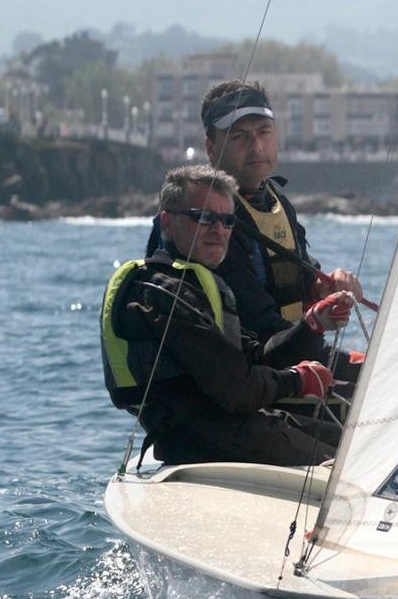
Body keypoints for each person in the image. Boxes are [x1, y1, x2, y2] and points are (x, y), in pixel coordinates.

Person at [102, 164, 354, 466]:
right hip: (196, 441)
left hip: (232, 428)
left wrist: (312, 325)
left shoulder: (201, 288)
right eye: (204, 217)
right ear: (167, 223)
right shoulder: (157, 295)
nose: (219, 230)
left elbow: (256, 356)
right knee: (352, 463)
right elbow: (238, 389)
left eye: (227, 221)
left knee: (356, 441)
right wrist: (297, 381)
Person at [144, 80, 363, 353]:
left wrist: (324, 287)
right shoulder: (213, 218)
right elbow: (257, 323)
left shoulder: (276, 200)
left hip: (289, 356)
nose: (256, 146)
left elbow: (297, 278)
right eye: (239, 136)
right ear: (210, 147)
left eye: (264, 132)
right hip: (247, 371)